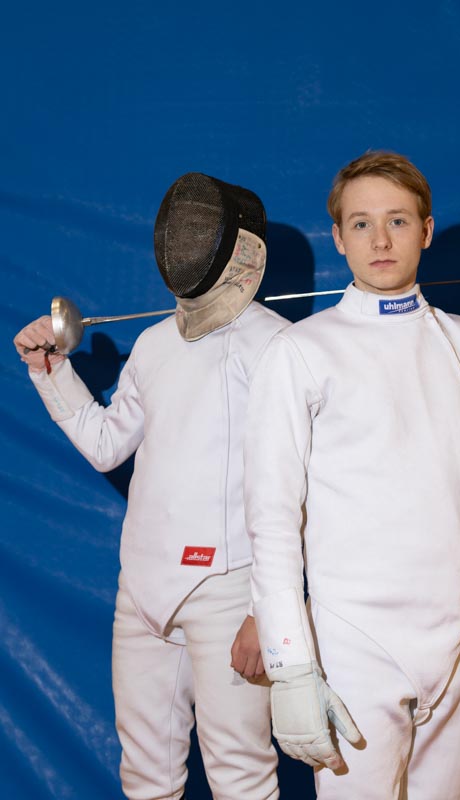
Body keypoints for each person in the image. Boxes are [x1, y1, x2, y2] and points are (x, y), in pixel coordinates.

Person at [243, 151, 460, 800]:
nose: (380, 240)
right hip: (353, 644)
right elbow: (271, 516)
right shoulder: (300, 352)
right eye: (362, 223)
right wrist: (291, 666)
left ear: (426, 231)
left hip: (459, 637)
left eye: (397, 221)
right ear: (338, 237)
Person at [13, 172, 288, 800]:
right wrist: (51, 371)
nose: (185, 243)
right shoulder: (154, 343)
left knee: (240, 773)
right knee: (145, 774)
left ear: (239, 245)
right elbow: (107, 444)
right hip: (141, 589)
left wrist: (267, 609)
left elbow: (304, 489)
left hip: (230, 590)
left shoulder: (280, 345)